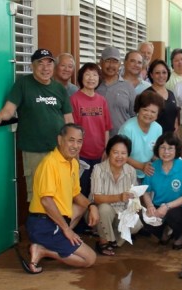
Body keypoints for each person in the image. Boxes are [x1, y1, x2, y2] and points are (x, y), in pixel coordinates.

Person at [0, 48, 73, 202]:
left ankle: (57, 226)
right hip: (33, 151)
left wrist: (72, 146)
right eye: (40, 63)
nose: (45, 68)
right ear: (32, 66)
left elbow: (69, 120)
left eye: (49, 63)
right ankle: (39, 226)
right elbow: (9, 110)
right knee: (38, 195)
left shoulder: (59, 89)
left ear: (53, 66)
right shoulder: (23, 84)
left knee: (60, 193)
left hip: (58, 150)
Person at [22, 123, 99, 274]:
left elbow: (76, 194)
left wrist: (92, 206)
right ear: (59, 139)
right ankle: (43, 250)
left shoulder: (73, 163)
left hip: (56, 219)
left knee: (81, 206)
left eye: (79, 141)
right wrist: (66, 230)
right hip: (43, 222)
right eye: (71, 140)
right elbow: (46, 201)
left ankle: (54, 242)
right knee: (89, 259)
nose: (75, 145)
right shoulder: (50, 163)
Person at [141, 133, 182, 250]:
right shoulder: (152, 167)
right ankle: (164, 233)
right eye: (163, 147)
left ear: (176, 150)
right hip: (158, 205)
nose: (166, 152)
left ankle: (178, 236)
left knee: (173, 215)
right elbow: (145, 190)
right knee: (143, 215)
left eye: (170, 148)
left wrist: (167, 206)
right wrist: (150, 206)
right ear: (157, 149)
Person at [90, 134, 140, 255]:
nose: (119, 156)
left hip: (121, 211)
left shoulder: (131, 171)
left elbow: (135, 195)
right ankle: (103, 242)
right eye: (115, 152)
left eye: (123, 153)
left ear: (128, 155)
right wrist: (118, 197)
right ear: (108, 153)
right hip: (100, 210)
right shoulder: (98, 169)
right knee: (104, 209)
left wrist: (134, 206)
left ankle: (114, 241)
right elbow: (96, 198)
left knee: (137, 225)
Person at [70, 62, 112, 197]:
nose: (91, 78)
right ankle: (80, 219)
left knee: (97, 191)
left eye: (95, 75)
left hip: (100, 155)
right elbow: (72, 129)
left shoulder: (102, 100)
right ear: (81, 77)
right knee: (80, 191)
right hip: (81, 156)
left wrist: (106, 150)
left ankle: (93, 218)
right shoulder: (74, 100)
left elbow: (106, 128)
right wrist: (75, 154)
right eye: (87, 74)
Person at [118, 90, 164, 180]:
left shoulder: (158, 128)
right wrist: (142, 166)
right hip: (126, 174)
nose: (148, 114)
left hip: (148, 172)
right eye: (145, 110)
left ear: (158, 114)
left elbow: (155, 153)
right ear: (138, 109)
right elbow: (120, 155)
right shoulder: (127, 128)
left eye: (153, 112)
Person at [96, 46, 136, 137]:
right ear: (101, 62)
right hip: (97, 141)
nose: (111, 65)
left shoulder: (128, 87)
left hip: (122, 140)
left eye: (115, 62)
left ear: (120, 64)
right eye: (108, 61)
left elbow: (134, 116)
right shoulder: (93, 85)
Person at [146, 59, 179, 133]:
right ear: (151, 75)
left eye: (164, 72)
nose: (161, 76)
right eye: (157, 73)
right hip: (154, 139)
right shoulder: (147, 95)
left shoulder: (171, 94)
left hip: (169, 140)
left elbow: (174, 115)